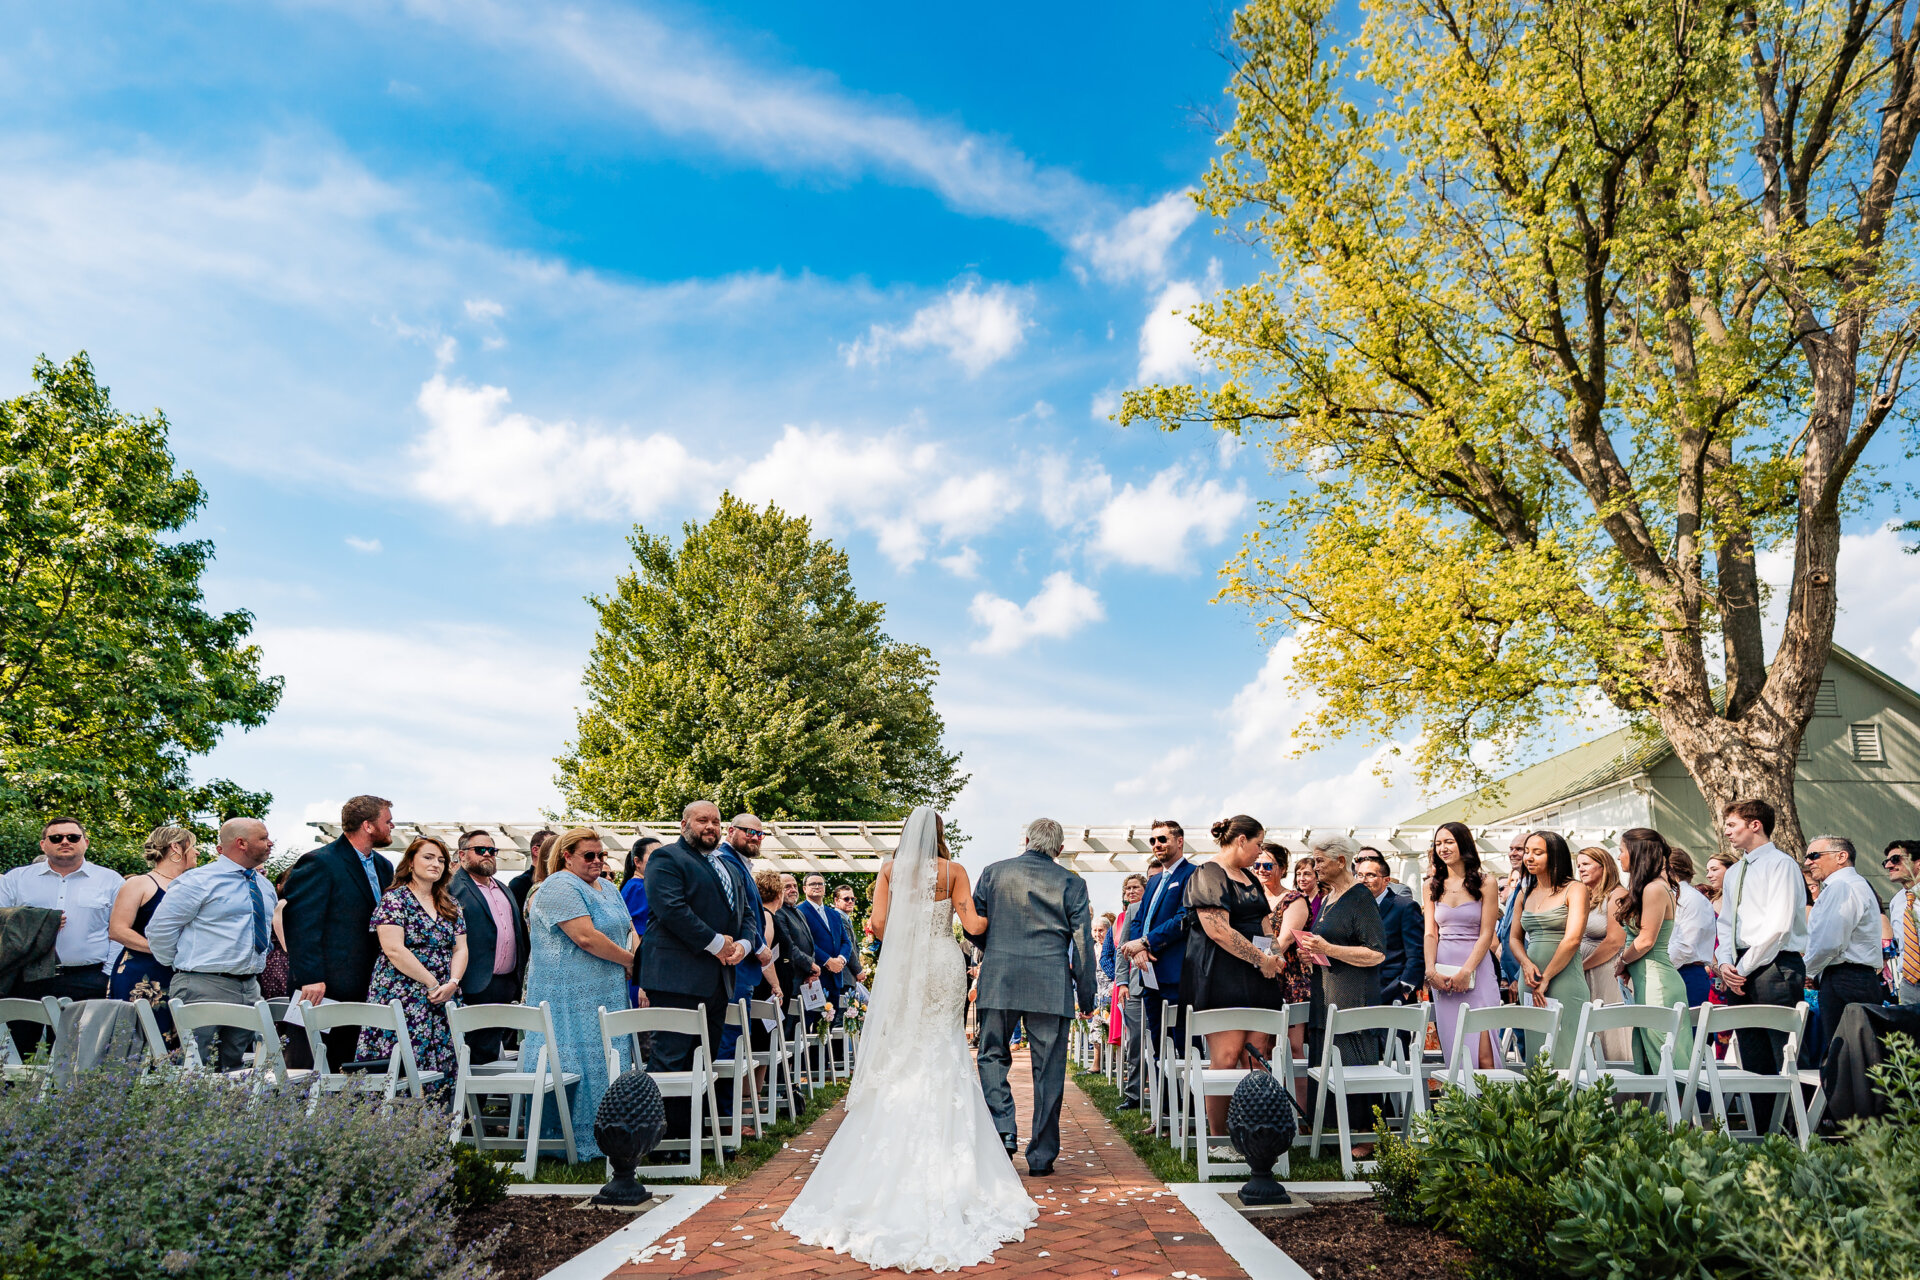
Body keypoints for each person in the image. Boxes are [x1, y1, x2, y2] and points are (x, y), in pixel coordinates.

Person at [779, 807, 1037, 1270]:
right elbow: (974, 927)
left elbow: (877, 924)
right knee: (944, 1045)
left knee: (906, 1047)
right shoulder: (953, 871)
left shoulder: (889, 870)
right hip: (942, 965)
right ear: (938, 833)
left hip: (906, 971)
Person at [964, 816, 1097, 1176]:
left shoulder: (993, 873)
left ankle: (1004, 1131)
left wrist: (995, 949)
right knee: (1049, 1071)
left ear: (1025, 840)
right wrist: (1087, 996)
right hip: (1050, 984)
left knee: (991, 1056)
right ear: (1060, 849)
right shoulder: (1072, 882)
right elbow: (1083, 944)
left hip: (999, 979)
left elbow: (974, 924)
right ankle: (1041, 1156)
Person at [522, 827, 637, 1157]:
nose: (598, 861)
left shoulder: (611, 888)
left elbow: (628, 929)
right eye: (589, 855)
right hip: (567, 995)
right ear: (566, 856)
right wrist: (631, 962)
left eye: (602, 855)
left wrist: (636, 960)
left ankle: (611, 1133)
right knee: (575, 1059)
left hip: (609, 989)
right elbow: (585, 937)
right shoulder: (557, 886)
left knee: (608, 1057)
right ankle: (569, 1141)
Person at [637, 802, 746, 1140]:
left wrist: (742, 945)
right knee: (671, 1061)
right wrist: (717, 944)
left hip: (718, 980)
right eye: (702, 820)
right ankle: (660, 1142)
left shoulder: (727, 865)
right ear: (684, 823)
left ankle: (691, 1139)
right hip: (676, 978)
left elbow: (746, 914)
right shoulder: (667, 858)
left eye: (715, 820)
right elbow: (671, 909)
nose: (710, 826)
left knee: (704, 1062)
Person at [143, 818, 277, 1071]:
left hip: (249, 986)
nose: (270, 843)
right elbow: (160, 930)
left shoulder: (264, 886)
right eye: (264, 838)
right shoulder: (198, 881)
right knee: (196, 1065)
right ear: (241, 843)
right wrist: (185, 967)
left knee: (233, 1067)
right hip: (202, 985)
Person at [1184, 815, 1283, 1145]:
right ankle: (1221, 1139)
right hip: (1222, 978)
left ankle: (1257, 1133)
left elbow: (1265, 926)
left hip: (1259, 979)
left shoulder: (1250, 879)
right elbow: (1218, 930)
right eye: (1258, 844)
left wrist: (1273, 956)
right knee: (1225, 1059)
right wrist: (1262, 959)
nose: (1260, 852)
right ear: (1241, 840)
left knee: (1258, 1057)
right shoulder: (1208, 874)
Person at [1712, 798, 1810, 1130]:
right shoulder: (1735, 871)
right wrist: (1726, 963)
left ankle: (1798, 1130)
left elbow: (1779, 926)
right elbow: (1725, 922)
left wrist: (1743, 967)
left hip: (1775, 966)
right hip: (1740, 968)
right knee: (1752, 1056)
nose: (1726, 832)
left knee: (1784, 1052)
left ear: (1755, 825)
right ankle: (1766, 1133)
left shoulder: (1781, 864)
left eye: (1731, 825)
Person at [281, 794, 397, 1071]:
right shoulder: (320, 862)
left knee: (350, 1066)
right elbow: (301, 923)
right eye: (388, 821)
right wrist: (311, 977)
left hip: (366, 984)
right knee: (310, 1066)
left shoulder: (384, 866)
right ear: (368, 825)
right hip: (322, 987)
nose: (392, 826)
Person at [0, 817, 123, 1058]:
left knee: (78, 1059)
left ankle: (70, 1097)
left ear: (85, 842)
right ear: (43, 844)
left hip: (86, 978)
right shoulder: (17, 878)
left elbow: (117, 930)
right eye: (56, 838)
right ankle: (13, 1097)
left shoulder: (110, 880)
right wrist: (36, 921)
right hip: (27, 978)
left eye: (73, 837)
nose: (65, 842)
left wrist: (106, 974)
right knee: (15, 1055)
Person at [1298, 833, 1386, 1159]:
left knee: (1353, 1063)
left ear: (1340, 861)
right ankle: (1337, 1130)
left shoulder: (1360, 897)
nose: (1315, 866)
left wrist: (1328, 949)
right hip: (1326, 991)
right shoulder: (1329, 897)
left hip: (1353, 997)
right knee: (1329, 1062)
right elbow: (1329, 948)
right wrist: (1314, 954)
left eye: (1320, 860)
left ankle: (1367, 1135)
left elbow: (1376, 954)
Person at [357, 836, 468, 1080]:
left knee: (444, 1066)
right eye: (428, 857)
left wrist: (453, 982)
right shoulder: (395, 900)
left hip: (443, 996)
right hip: (402, 992)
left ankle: (439, 1117)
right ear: (410, 863)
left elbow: (460, 948)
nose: (436, 864)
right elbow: (394, 949)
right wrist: (431, 983)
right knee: (401, 1067)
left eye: (441, 860)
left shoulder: (451, 904)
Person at [107, 824, 199, 1055]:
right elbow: (118, 930)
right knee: (139, 1040)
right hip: (141, 974)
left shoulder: (192, 886)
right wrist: (163, 950)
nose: (197, 852)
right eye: (194, 847)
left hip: (181, 974)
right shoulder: (140, 883)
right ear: (176, 848)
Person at [1612, 829, 1693, 1074]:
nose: (1619, 856)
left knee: (1664, 1056)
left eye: (1622, 850)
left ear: (1637, 853)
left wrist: (1622, 961)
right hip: (1647, 978)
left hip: (1657, 982)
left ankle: (1678, 1111)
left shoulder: (1654, 889)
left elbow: (1646, 940)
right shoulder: (1655, 887)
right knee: (1652, 1055)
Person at [1120, 819, 1196, 1077]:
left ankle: (1188, 1107)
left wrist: (1145, 942)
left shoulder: (1192, 874)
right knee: (1158, 1045)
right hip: (1149, 974)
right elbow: (1139, 918)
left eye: (1162, 839)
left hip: (1177, 975)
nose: (1156, 844)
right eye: (1153, 840)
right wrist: (1140, 948)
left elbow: (1183, 919)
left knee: (1185, 1044)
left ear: (1179, 841)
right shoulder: (1152, 881)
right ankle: (1164, 1106)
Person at [1509, 830, 1590, 1067]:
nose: (1528, 857)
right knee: (1536, 1051)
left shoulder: (1575, 889)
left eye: (1538, 852)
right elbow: (1514, 939)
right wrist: (1525, 964)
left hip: (1563, 979)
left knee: (1565, 1050)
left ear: (1554, 855)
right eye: (1527, 851)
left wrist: (1547, 978)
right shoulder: (1525, 892)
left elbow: (1573, 939)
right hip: (1530, 979)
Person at [1424, 821, 1500, 1069]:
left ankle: (1492, 1108)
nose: (1442, 848)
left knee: (1484, 1055)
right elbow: (1430, 933)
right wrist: (1430, 971)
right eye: (1438, 843)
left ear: (1463, 843)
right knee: (1456, 1051)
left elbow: (1487, 933)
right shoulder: (1430, 885)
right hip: (1442, 974)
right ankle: (1462, 1107)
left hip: (1477, 968)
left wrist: (1466, 971)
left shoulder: (1486, 882)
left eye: (1448, 842)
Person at [450, 828, 529, 1065]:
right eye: (480, 850)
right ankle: (466, 1103)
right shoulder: (452, 888)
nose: (488, 854)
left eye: (492, 850)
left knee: (493, 1054)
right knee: (471, 1056)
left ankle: (483, 1102)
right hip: (473, 984)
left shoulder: (503, 888)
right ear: (462, 855)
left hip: (505, 985)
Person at [1803, 835, 1885, 1062]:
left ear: (1841, 856)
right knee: (1859, 1057)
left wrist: (1805, 971)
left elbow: (1829, 943)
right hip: (1855, 979)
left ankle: (1849, 1099)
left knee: (1846, 1058)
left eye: (1814, 855)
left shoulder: (1841, 886)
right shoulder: (1854, 884)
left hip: (1845, 980)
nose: (1808, 862)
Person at [1574, 846, 1632, 1062]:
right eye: (1578, 865)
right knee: (1588, 1032)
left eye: (1586, 864)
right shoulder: (1586, 896)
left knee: (1611, 1033)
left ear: (1604, 866)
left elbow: (1614, 941)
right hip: (1585, 971)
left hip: (1606, 970)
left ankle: (1622, 1092)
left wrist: (1581, 967)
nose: (1580, 869)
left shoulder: (1617, 895)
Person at [1357, 852, 1423, 1007]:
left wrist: (1404, 989)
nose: (1363, 880)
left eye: (1370, 875)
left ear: (1386, 880)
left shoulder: (1405, 907)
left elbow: (1417, 955)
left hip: (1393, 995)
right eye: (1360, 875)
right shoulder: (1354, 907)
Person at [1108, 872, 1148, 1109]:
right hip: (1134, 986)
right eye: (1127, 889)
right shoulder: (1130, 913)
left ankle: (1161, 1090)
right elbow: (1121, 952)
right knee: (1134, 1042)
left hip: (1162, 985)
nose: (1131, 892)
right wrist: (1121, 982)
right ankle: (1133, 1094)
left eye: (1136, 887)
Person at [800, 872, 855, 1030]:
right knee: (812, 1026)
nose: (817, 886)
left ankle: (827, 1056)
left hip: (836, 977)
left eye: (820, 884)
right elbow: (805, 943)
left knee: (830, 1024)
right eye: (812, 884)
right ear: (805, 888)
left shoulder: (834, 914)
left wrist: (841, 960)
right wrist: (827, 961)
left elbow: (846, 941)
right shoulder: (800, 911)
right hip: (814, 976)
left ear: (825, 889)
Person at [1665, 848, 1718, 1007]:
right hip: (1674, 971)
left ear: (1670, 868)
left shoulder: (1690, 899)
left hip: (1687, 973)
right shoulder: (1669, 895)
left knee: (1691, 1029)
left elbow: (1685, 946)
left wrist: (1660, 969)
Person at [1494, 833, 1529, 997]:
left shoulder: (1532, 890)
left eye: (1519, 849)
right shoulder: (1517, 891)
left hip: (1528, 976)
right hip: (1511, 977)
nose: (1512, 853)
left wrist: (1519, 976)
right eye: (1511, 849)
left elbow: (1531, 938)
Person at [1887, 839, 1920, 1004]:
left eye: (1895, 860)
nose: (1888, 866)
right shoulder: (1896, 902)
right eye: (1886, 861)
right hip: (1909, 985)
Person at [508, 828, 557, 914]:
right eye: (554, 848)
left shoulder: (559, 879)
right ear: (536, 850)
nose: (558, 853)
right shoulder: (520, 883)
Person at [620, 836, 660, 940]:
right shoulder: (639, 888)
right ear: (637, 861)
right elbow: (637, 931)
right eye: (655, 856)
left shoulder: (634, 885)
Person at [1252, 843, 1290, 913]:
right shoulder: (1251, 897)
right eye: (1256, 865)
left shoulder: (1292, 900)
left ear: (1282, 869)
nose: (1261, 870)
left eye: (1267, 865)